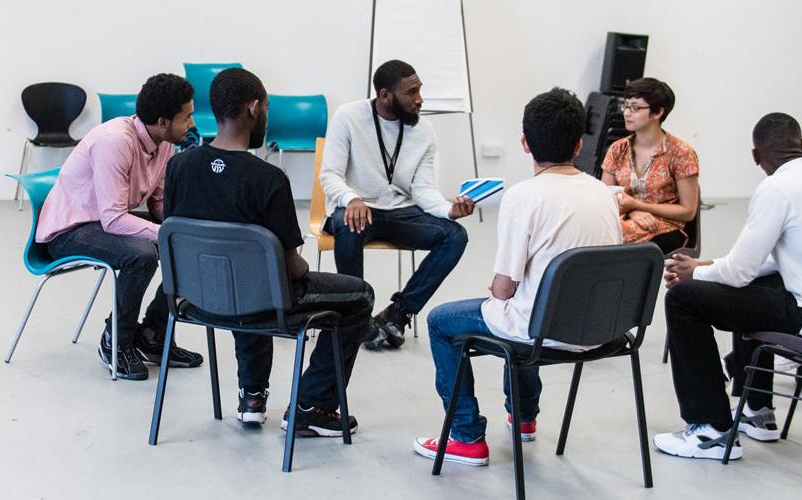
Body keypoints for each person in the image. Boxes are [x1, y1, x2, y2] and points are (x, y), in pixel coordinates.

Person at [412, 88, 621, 466]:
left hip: (543, 331)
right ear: (579, 145)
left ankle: (465, 436)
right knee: (526, 313)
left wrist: (495, 290)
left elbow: (505, 288)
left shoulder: (523, 197)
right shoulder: (604, 194)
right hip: (603, 329)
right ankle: (524, 418)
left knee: (443, 321)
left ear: (524, 143)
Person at [163, 68, 373, 436]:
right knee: (358, 295)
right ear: (254, 108)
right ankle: (312, 405)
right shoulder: (269, 179)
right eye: (268, 107)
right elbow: (291, 269)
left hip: (196, 299)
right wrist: (303, 261)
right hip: (257, 302)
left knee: (242, 276)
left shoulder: (179, 166)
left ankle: (253, 398)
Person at [651, 113, 802, 460]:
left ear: (755, 156)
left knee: (683, 299)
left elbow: (739, 272)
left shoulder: (776, 189)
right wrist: (705, 266)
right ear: (801, 146)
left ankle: (710, 429)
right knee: (756, 281)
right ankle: (757, 411)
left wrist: (694, 273)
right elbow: (762, 263)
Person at [35, 73, 204, 381]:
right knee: (141, 255)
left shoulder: (163, 142)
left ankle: (154, 333)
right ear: (164, 121)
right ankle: (117, 339)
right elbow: (113, 218)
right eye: (187, 117)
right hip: (70, 230)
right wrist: (167, 234)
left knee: (191, 242)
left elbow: (158, 202)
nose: (192, 124)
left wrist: (183, 227)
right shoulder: (115, 142)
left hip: (104, 222)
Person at [320, 59, 475, 350]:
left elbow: (423, 189)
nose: (420, 99)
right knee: (349, 223)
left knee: (455, 235)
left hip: (400, 211)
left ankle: (398, 313)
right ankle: (357, 316)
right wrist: (351, 198)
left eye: (420, 90)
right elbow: (330, 175)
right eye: (411, 92)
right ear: (385, 95)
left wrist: (448, 210)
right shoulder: (348, 117)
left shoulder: (424, 130)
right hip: (356, 208)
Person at [600, 78, 700, 253]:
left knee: (609, 239)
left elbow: (688, 211)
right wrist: (634, 212)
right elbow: (606, 196)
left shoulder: (681, 152)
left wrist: (638, 206)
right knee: (590, 231)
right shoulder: (617, 149)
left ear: (657, 112)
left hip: (664, 226)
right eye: (626, 106)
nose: (626, 113)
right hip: (624, 218)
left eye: (635, 108)